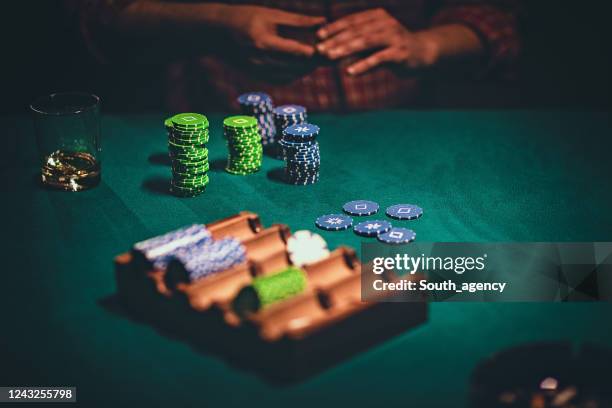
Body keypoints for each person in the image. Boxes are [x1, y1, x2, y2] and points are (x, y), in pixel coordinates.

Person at [70, 1, 520, 111]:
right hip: (220, 126)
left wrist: (426, 44)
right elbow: (97, 18)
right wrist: (211, 20)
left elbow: (499, 19)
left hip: (404, 130)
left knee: (547, 274)